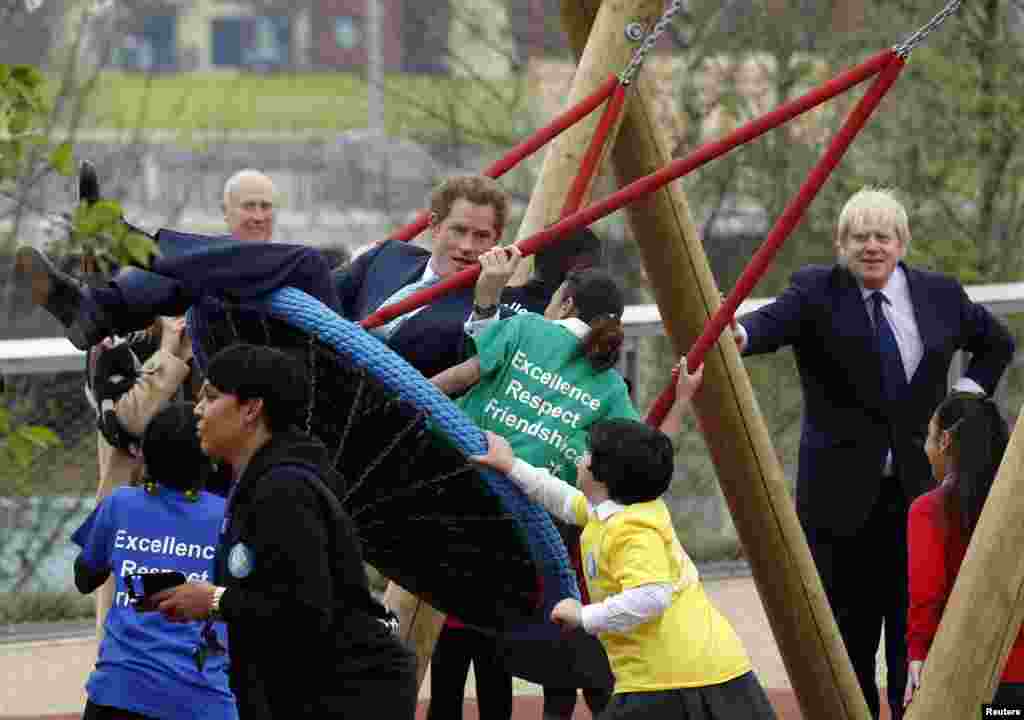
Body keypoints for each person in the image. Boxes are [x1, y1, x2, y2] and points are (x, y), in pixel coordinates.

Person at [733, 187, 1015, 719]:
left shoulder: (940, 295)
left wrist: (966, 397)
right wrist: (740, 334)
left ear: (902, 242)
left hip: (922, 498)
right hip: (840, 503)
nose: (871, 247)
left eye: (883, 236)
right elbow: (771, 324)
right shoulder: (816, 291)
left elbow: (996, 343)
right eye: (859, 237)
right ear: (841, 243)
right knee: (847, 641)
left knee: (916, 630)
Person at [429, 267, 692, 719]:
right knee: (506, 637)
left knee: (454, 638)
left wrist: (403, 393)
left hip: (462, 488)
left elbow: (461, 375)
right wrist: (682, 399)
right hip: (530, 521)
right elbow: (649, 452)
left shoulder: (527, 328)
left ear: (565, 302)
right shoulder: (609, 386)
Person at [152, 344, 417, 719]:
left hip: (343, 697)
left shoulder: (284, 490)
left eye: (210, 397)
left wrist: (213, 601)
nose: (197, 410)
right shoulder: (257, 482)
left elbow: (305, 611)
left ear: (251, 409)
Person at [470, 401, 778, 720]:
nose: (581, 458)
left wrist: (584, 616)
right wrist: (510, 465)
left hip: (676, 679)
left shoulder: (632, 530)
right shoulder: (609, 511)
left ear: (604, 475)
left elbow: (652, 595)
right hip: (692, 673)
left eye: (588, 454)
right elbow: (561, 497)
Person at [14, 168, 340, 351]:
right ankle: (92, 307)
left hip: (331, 356)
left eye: (265, 207)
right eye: (248, 207)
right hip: (228, 332)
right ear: (224, 213)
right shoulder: (205, 266)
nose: (258, 216)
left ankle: (118, 263)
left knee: (307, 261)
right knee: (208, 268)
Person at [71, 402, 237, 720]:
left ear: (144, 455)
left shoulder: (120, 505)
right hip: (203, 700)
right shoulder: (229, 518)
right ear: (211, 459)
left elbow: (84, 579)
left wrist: (133, 560)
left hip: (117, 693)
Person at [334, 173, 522, 379]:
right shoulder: (388, 255)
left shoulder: (496, 319)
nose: (467, 246)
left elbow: (476, 376)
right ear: (434, 225)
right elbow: (321, 295)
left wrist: (486, 303)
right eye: (459, 230)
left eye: (481, 236)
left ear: (496, 240)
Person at [903, 393, 1020, 708]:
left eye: (929, 438)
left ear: (944, 442)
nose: (926, 450)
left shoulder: (929, 510)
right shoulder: (1015, 507)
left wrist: (917, 654)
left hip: (963, 675)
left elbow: (928, 594)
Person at [87, 315, 196, 637]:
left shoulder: (209, 329)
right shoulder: (112, 344)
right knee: (134, 627)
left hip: (196, 512)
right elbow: (129, 420)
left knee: (192, 631)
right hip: (138, 518)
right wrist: (168, 352)